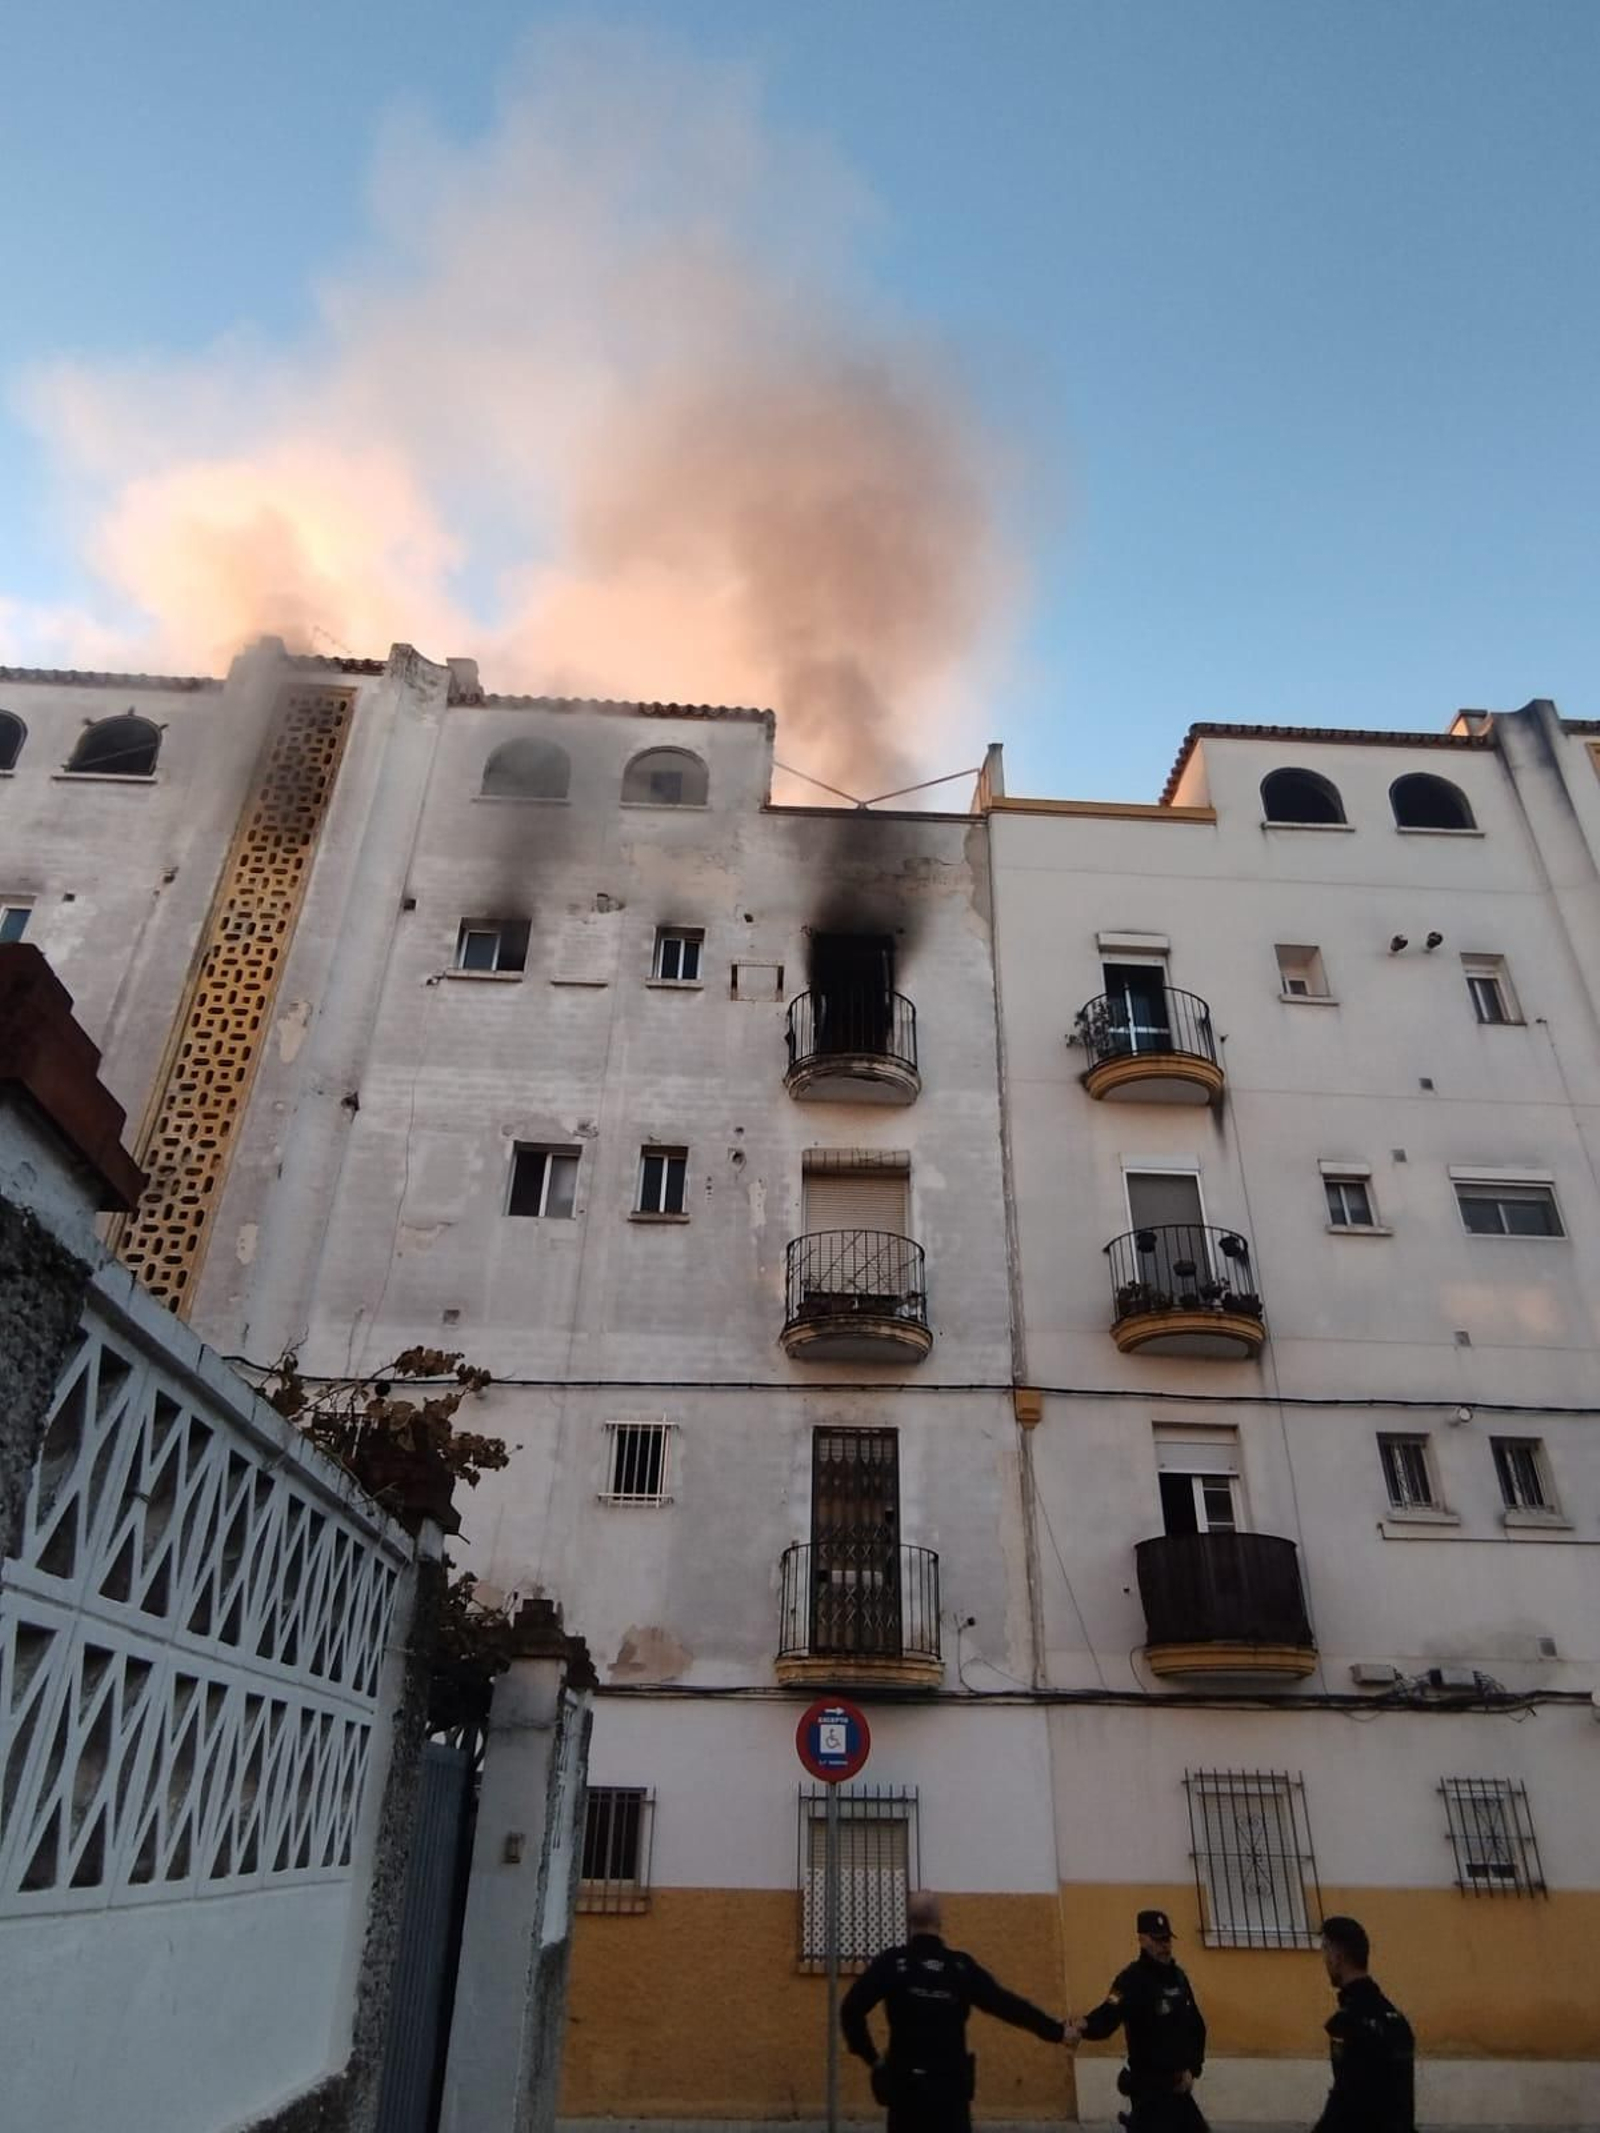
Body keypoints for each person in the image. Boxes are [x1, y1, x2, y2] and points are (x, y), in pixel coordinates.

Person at [841, 1890, 1068, 2133]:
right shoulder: (960, 1967)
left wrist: (873, 2060)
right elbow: (1008, 2006)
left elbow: (851, 2010)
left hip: (905, 2090)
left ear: (907, 1920)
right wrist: (1057, 2031)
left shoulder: (892, 1963)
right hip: (950, 2092)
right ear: (940, 1921)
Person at [1065, 1907, 1207, 2130]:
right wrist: (1085, 2024)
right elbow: (1108, 2014)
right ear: (1142, 1940)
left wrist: (1192, 2068)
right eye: (1158, 1940)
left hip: (1179, 2087)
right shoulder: (1130, 1980)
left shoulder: (1179, 1979)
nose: (1165, 1946)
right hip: (1149, 2091)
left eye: (1167, 1940)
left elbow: (1197, 2028)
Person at [1313, 1915, 1415, 2133]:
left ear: (1337, 1956)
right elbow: (1402, 2101)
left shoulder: (1349, 2022)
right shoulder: (1396, 2020)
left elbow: (1346, 2098)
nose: (1325, 1959)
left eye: (1325, 1950)